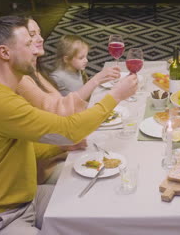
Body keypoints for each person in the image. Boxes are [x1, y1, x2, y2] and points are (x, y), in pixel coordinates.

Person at [0, 15, 137, 235]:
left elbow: (23, 147)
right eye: (28, 44)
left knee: (95, 209)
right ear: (4, 53)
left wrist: (63, 147)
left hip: (27, 199)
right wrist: (115, 96)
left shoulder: (7, 91)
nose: (37, 51)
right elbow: (68, 130)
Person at [16, 18, 120, 184]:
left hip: (63, 149)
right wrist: (110, 94)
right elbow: (60, 111)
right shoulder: (22, 81)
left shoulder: (36, 72)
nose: (41, 39)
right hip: (45, 168)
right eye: (32, 35)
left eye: (39, 33)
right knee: (110, 176)